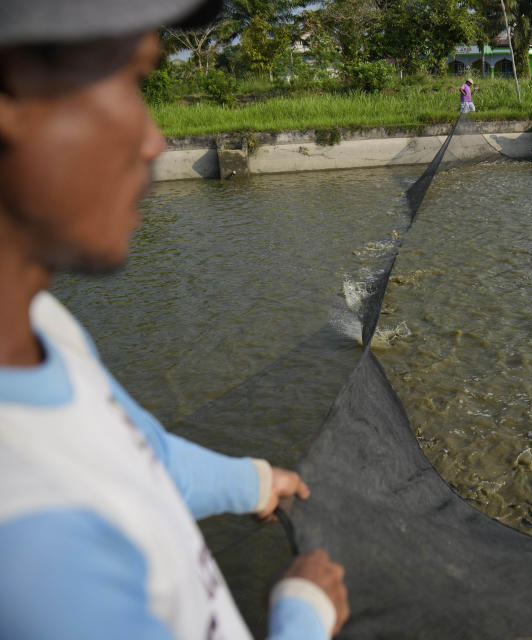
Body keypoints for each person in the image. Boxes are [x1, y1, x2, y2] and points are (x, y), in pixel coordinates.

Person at [0, 1, 349, 639]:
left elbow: (136, 455)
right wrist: (304, 615)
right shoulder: (34, 562)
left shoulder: (39, 325)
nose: (154, 140)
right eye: (130, 82)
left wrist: (249, 482)